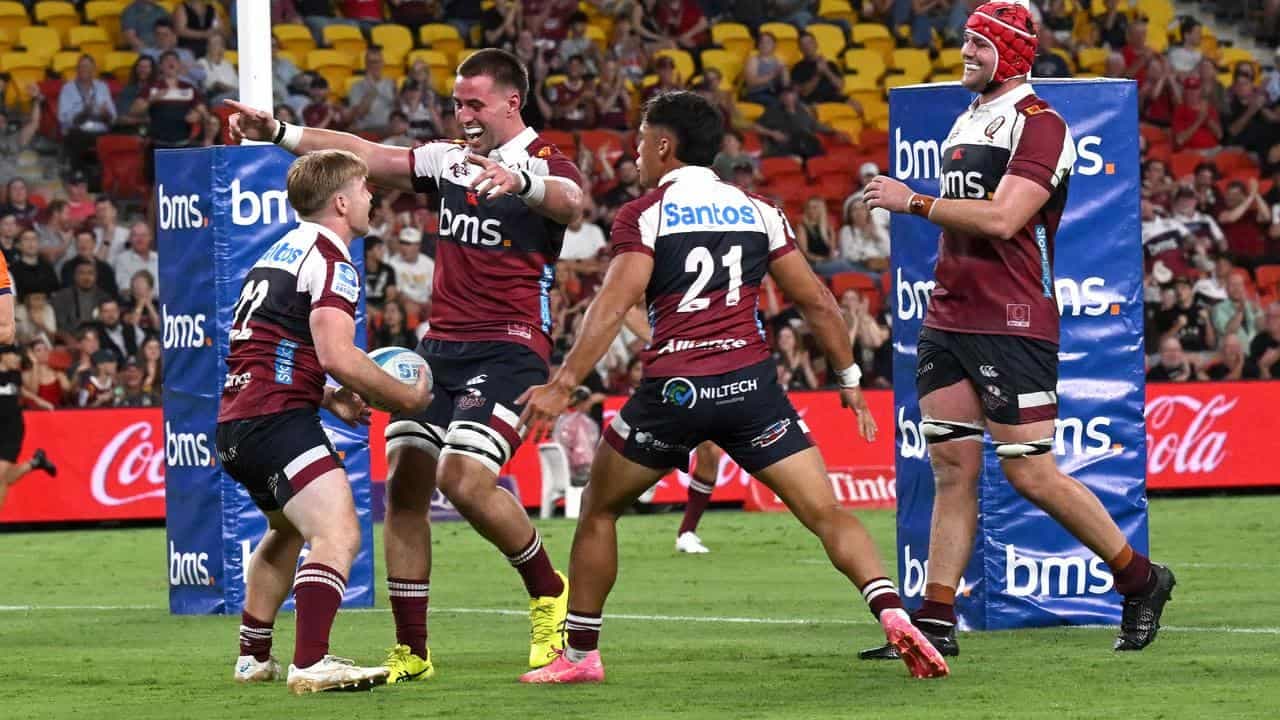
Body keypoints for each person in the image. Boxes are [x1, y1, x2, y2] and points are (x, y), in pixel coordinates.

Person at [515, 90, 949, 683]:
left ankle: (582, 654)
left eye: (641, 140)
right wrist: (848, 378)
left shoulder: (644, 213)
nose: (635, 153)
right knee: (826, 511)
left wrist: (564, 382)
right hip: (751, 389)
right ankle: (894, 612)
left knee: (599, 508)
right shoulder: (760, 210)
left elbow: (613, 304)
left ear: (664, 145)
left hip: (675, 393)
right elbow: (817, 301)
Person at [226, 47, 584, 681]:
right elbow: (369, 154)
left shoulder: (543, 161)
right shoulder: (449, 158)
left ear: (511, 102)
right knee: (407, 487)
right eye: (456, 103)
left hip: (509, 345)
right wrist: (281, 133)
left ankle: (548, 592)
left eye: (474, 103)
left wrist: (519, 182)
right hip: (441, 347)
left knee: (465, 479)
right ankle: (412, 650)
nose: (462, 114)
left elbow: (570, 203)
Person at [861, 1, 1175, 658]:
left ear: (1010, 51)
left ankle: (1141, 579)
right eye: (966, 43)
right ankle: (936, 621)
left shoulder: (1042, 126)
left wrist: (912, 200)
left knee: (1031, 473)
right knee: (952, 469)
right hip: (949, 313)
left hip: (1013, 319)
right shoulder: (971, 116)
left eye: (979, 45)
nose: (966, 55)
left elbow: (1006, 219)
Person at [216, 150, 429, 695]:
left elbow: (271, 345)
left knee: (285, 531)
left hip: (239, 420)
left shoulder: (280, 251)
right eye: (364, 189)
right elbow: (337, 352)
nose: (371, 198)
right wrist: (405, 397)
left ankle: (252, 656)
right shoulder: (332, 259)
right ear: (340, 200)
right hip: (275, 419)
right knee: (338, 532)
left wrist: (330, 397)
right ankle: (310, 662)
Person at [0, 344, 56, 510]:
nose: (17, 359)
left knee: (1, 477)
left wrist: (36, 365)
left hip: (12, 429)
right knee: (4, 478)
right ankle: (35, 463)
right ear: (3, 356)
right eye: (14, 356)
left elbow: (29, 389)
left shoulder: (15, 375)